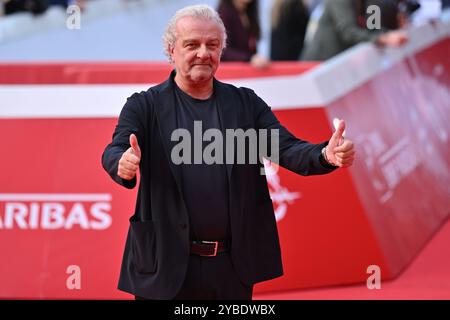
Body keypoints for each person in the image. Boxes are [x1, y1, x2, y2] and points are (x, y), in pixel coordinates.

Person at [102, 4, 355, 300]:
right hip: (163, 265)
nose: (203, 53)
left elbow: (287, 149)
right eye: (191, 45)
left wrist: (326, 154)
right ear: (171, 51)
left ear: (222, 50)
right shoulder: (145, 106)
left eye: (212, 45)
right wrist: (122, 162)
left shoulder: (245, 104)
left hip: (230, 269)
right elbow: (115, 148)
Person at [302, 0, 408, 61]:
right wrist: (383, 38)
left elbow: (373, 28)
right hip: (320, 62)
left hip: (342, 62)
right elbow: (348, 31)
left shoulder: (370, 2)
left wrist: (389, 34)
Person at [217, 0, 269, 67]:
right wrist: (250, 59)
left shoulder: (249, 12)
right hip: (231, 72)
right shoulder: (224, 13)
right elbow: (223, 51)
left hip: (248, 72)